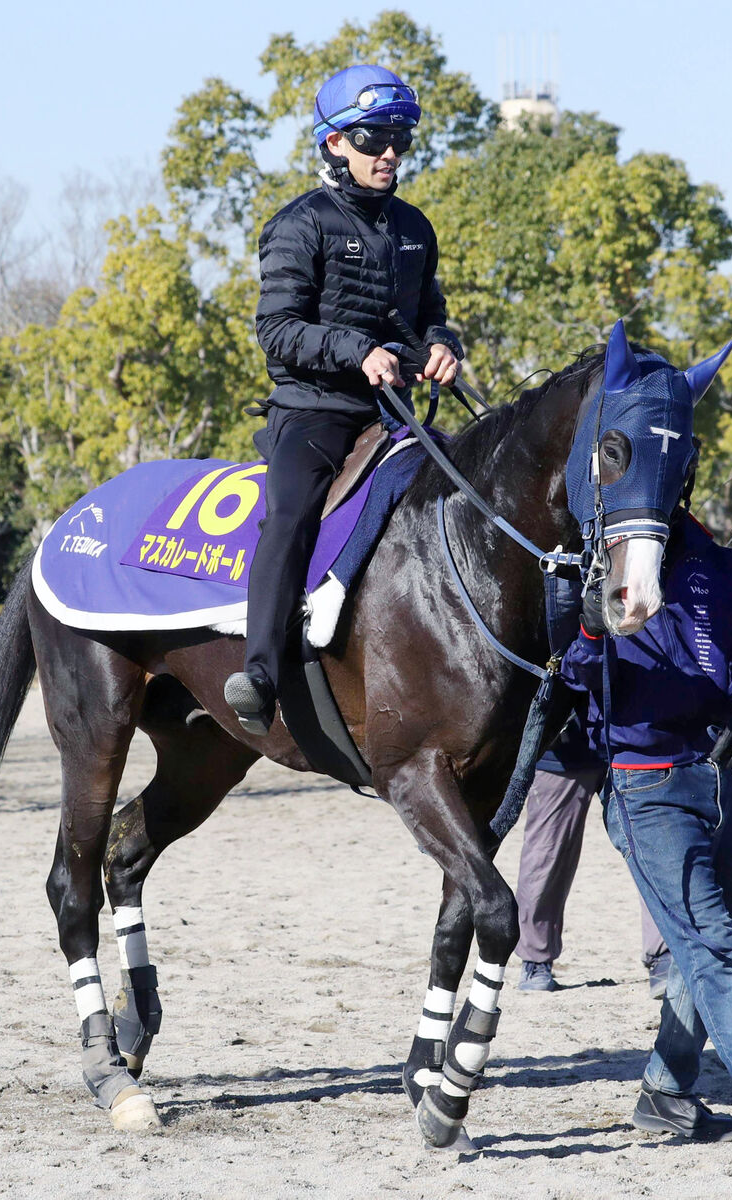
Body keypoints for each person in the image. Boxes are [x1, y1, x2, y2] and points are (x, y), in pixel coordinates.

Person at [559, 507, 732, 1161]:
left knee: (698, 953)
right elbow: (569, 676)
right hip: (642, 790)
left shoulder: (718, 562)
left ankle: (662, 1093)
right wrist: (591, 632)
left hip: (718, 779)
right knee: (710, 947)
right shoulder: (592, 559)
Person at [223, 64, 462, 735]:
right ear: (333, 143)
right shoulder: (298, 225)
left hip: (394, 414)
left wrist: (441, 348)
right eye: (371, 137)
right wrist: (355, 351)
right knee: (292, 512)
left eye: (399, 139)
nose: (388, 152)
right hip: (313, 412)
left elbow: (426, 318)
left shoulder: (415, 227)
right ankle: (262, 669)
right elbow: (276, 331)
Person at [514, 712, 671, 996]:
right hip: (562, 744)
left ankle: (664, 955)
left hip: (634, 741)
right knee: (546, 854)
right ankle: (535, 959)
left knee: (652, 847)